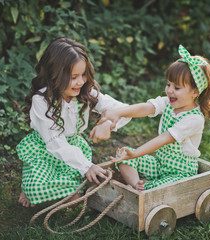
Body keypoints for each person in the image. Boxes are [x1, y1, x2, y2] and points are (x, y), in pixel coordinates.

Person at [16, 37, 130, 207]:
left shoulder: (85, 92)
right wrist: (86, 166)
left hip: (74, 149)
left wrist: (107, 122)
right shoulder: (42, 101)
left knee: (76, 198)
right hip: (46, 150)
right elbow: (56, 143)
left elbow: (124, 110)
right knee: (36, 188)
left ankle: (68, 191)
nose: (81, 82)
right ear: (55, 75)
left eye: (84, 75)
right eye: (74, 76)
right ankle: (29, 186)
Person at [99, 45, 210, 191]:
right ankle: (137, 184)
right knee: (123, 154)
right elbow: (146, 108)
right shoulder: (168, 103)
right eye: (168, 84)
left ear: (195, 92)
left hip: (180, 173)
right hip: (159, 164)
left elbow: (164, 139)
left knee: (156, 188)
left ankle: (144, 189)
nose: (169, 90)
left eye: (177, 88)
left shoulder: (194, 119)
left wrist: (137, 153)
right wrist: (119, 112)